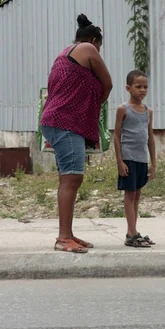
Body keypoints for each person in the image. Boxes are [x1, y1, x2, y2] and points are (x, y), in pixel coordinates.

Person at [40, 14, 112, 253]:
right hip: (66, 122)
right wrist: (95, 105)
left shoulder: (64, 53)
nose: (98, 52)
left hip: (56, 120)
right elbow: (108, 84)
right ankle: (63, 238)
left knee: (68, 178)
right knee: (72, 178)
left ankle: (68, 234)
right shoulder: (88, 49)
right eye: (99, 47)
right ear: (94, 40)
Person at [113, 70, 156, 247]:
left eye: (145, 87)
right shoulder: (123, 109)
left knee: (137, 194)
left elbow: (150, 137)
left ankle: (134, 230)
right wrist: (120, 161)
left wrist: (153, 163)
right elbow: (116, 136)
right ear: (128, 88)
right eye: (138, 86)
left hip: (141, 159)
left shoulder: (148, 111)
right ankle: (131, 233)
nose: (142, 90)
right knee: (130, 195)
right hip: (128, 158)